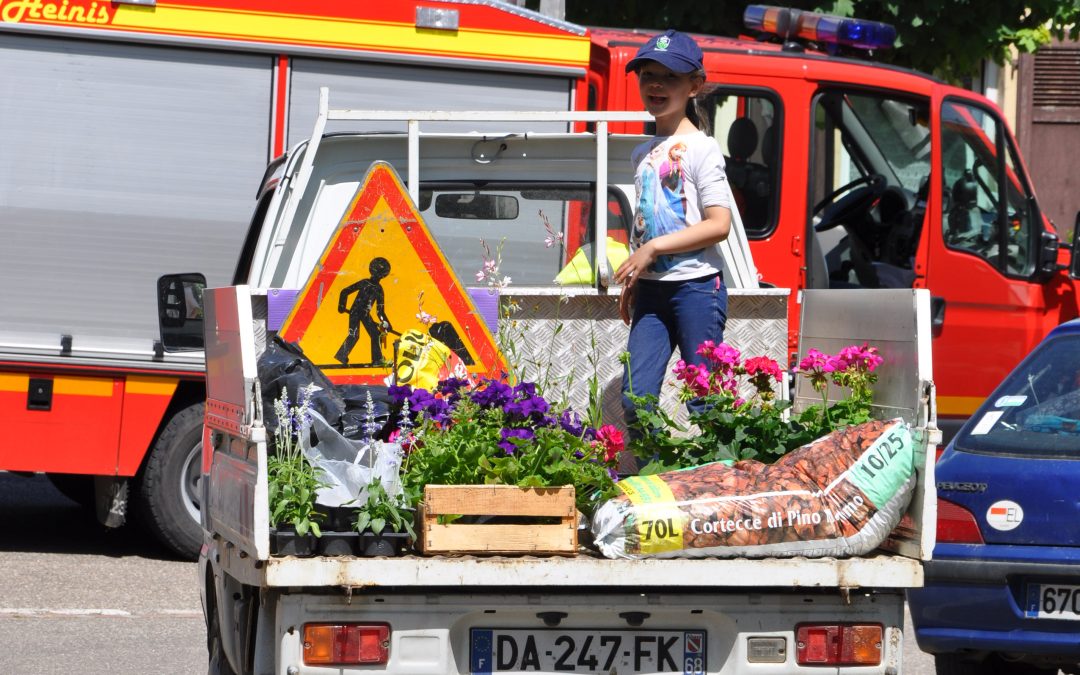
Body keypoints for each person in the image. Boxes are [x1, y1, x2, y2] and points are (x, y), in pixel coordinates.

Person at [614, 29, 733, 440]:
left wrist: (653, 248)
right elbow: (648, 219)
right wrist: (638, 273)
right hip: (651, 291)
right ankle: (656, 472)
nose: (656, 85)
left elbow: (719, 224)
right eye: (648, 75)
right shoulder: (641, 152)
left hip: (696, 288)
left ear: (695, 85)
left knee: (705, 402)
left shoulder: (703, 147)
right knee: (635, 399)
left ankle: (715, 475)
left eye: (670, 76)